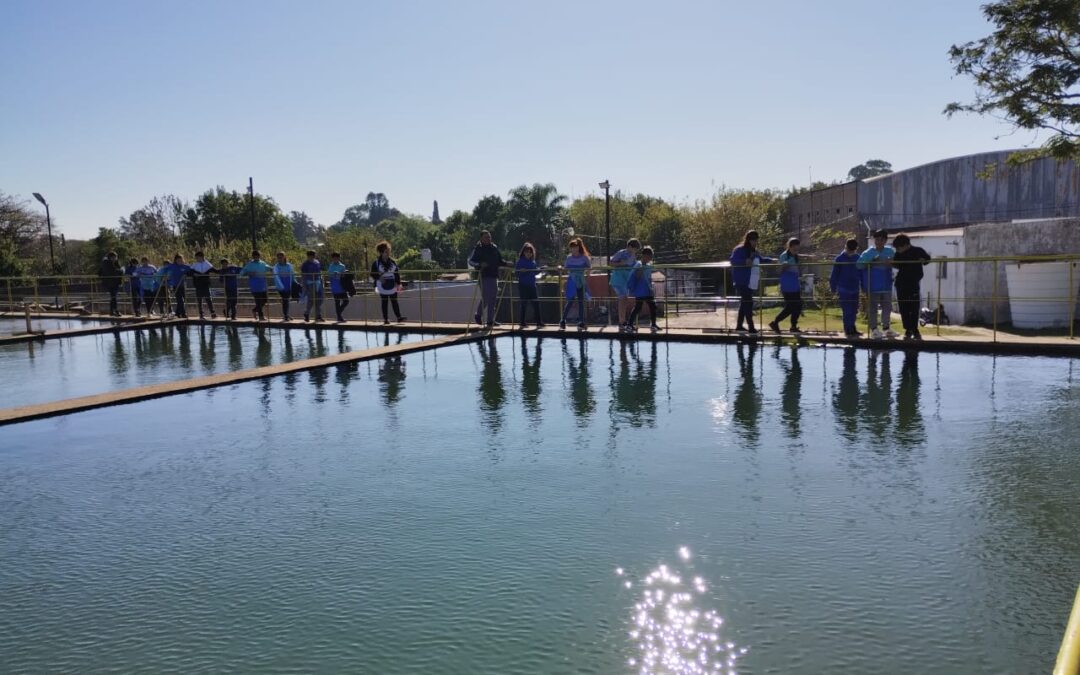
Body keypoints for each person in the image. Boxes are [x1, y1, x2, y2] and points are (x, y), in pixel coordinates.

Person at [729, 230, 773, 334]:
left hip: (750, 281)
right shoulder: (739, 250)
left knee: (744, 303)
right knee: (748, 302)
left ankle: (739, 326)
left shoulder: (754, 251)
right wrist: (744, 261)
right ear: (748, 239)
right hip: (742, 280)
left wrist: (772, 260)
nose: (755, 242)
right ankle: (751, 327)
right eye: (753, 240)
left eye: (756, 240)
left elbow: (761, 259)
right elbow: (733, 261)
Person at [857, 229, 898, 339]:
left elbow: (897, 264)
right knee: (873, 308)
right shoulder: (868, 252)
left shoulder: (890, 251)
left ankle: (886, 328)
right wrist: (871, 262)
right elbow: (859, 265)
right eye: (877, 240)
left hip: (886, 284)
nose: (879, 242)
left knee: (887, 307)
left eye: (881, 240)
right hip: (873, 285)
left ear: (885, 240)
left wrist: (892, 262)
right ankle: (874, 329)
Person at [891, 233, 932, 341]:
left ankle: (914, 328)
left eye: (899, 248)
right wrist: (891, 262)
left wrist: (923, 260)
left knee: (914, 307)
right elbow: (896, 264)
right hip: (901, 283)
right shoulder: (898, 254)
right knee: (904, 307)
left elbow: (927, 259)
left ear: (905, 245)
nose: (897, 250)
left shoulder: (918, 251)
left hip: (913, 283)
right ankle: (908, 329)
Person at [468, 230, 511, 326]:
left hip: (494, 275)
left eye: (489, 237)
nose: (488, 239)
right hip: (484, 275)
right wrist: (480, 264)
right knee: (487, 296)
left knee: (493, 298)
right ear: (481, 238)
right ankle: (479, 314)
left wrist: (506, 263)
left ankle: (490, 320)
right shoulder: (478, 248)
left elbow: (499, 260)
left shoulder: (494, 247)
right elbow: (471, 261)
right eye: (486, 237)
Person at [830, 238, 864, 338]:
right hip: (844, 288)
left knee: (854, 310)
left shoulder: (858, 258)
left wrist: (863, 286)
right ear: (846, 247)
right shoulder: (840, 259)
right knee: (847, 310)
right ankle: (848, 329)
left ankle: (852, 328)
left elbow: (862, 273)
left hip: (855, 288)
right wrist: (833, 287)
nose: (851, 251)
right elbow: (834, 274)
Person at [769, 237, 803, 333]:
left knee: (798, 305)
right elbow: (779, 271)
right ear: (790, 247)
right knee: (790, 306)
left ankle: (793, 326)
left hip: (795, 284)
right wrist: (783, 266)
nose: (796, 251)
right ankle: (775, 322)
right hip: (787, 285)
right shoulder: (784, 256)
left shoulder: (795, 256)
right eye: (794, 249)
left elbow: (799, 261)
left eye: (797, 249)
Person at [559, 237, 592, 331]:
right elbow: (565, 268)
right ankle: (562, 321)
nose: (573, 249)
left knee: (581, 302)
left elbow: (589, 268)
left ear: (578, 247)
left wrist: (586, 276)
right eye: (572, 247)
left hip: (580, 281)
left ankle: (581, 322)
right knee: (570, 301)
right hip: (572, 282)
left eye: (575, 247)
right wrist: (560, 268)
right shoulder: (569, 258)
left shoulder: (584, 257)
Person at [609, 238, 641, 332]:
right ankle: (621, 322)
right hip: (618, 279)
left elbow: (633, 266)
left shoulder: (633, 256)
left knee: (625, 299)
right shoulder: (621, 253)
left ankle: (623, 321)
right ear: (629, 246)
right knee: (622, 298)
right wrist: (620, 263)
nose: (635, 251)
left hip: (626, 280)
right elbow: (610, 263)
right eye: (635, 249)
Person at [371, 240, 406, 324]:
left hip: (392, 283)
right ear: (381, 252)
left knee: (394, 301)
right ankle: (386, 319)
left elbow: (396, 273)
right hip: (382, 284)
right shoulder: (376, 263)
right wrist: (379, 278)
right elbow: (372, 274)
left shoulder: (392, 262)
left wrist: (398, 283)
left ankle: (399, 317)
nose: (388, 253)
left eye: (388, 251)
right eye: (386, 251)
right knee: (384, 302)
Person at [627, 246, 660, 333]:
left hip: (647, 290)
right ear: (644, 256)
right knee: (638, 307)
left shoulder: (648, 266)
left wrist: (651, 288)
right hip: (640, 290)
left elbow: (649, 278)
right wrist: (641, 270)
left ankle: (653, 324)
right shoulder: (638, 265)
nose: (650, 259)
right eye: (649, 257)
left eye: (651, 257)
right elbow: (637, 276)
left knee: (653, 306)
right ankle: (629, 325)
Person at [515, 243, 543, 329]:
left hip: (532, 285)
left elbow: (535, 272)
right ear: (523, 252)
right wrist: (521, 271)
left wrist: (541, 269)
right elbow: (516, 273)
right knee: (524, 304)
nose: (528, 253)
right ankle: (522, 322)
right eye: (527, 252)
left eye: (530, 252)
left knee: (536, 303)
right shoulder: (520, 261)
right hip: (523, 285)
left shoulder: (533, 262)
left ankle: (539, 322)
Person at [240, 250, 272, 321]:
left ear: (259, 256)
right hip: (254, 286)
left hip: (263, 285)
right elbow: (241, 273)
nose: (256, 257)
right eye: (254, 256)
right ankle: (261, 316)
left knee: (265, 300)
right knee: (258, 301)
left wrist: (274, 269)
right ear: (253, 256)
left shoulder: (262, 263)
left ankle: (255, 310)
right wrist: (249, 273)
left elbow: (269, 268)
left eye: (257, 256)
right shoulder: (249, 264)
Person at [190, 251, 217, 319]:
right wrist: (194, 274)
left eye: (197, 257)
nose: (196, 259)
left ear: (202, 257)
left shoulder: (207, 264)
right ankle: (201, 314)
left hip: (205, 284)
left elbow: (215, 270)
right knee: (199, 300)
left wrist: (223, 270)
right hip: (198, 285)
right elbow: (189, 272)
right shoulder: (195, 265)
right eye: (196, 258)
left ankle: (212, 313)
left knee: (208, 299)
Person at [162, 254, 191, 318]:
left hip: (183, 285)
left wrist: (187, 274)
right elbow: (164, 269)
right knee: (180, 300)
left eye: (181, 260)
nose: (180, 261)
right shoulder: (172, 266)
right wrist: (165, 277)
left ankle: (177, 313)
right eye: (178, 260)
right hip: (175, 285)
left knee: (184, 299)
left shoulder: (186, 266)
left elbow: (190, 272)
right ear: (175, 260)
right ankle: (183, 313)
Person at [300, 249, 324, 322]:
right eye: (310, 256)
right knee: (311, 299)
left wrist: (321, 280)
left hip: (318, 282)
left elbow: (319, 272)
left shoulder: (317, 262)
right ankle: (307, 313)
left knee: (319, 299)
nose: (312, 257)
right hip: (310, 282)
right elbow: (303, 275)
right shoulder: (305, 264)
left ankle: (318, 315)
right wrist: (305, 285)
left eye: (313, 255)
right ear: (308, 256)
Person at [98, 251, 123, 316]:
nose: (115, 258)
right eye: (114, 257)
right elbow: (114, 271)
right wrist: (121, 270)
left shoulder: (112, 263)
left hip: (113, 282)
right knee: (114, 297)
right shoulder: (107, 263)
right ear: (111, 257)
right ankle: (115, 311)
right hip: (111, 283)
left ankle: (112, 311)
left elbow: (100, 272)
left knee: (113, 297)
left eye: (116, 257)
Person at [327, 252, 349, 323]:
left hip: (342, 286)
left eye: (337, 258)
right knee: (337, 302)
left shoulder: (342, 266)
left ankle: (339, 312)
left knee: (346, 301)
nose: (335, 259)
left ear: (339, 258)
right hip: (335, 287)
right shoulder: (331, 266)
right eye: (334, 258)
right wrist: (334, 274)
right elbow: (329, 275)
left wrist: (340, 274)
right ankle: (339, 317)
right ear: (332, 258)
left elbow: (344, 275)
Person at [273, 251, 295, 322]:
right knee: (285, 300)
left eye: (281, 257)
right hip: (281, 286)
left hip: (288, 285)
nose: (280, 259)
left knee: (287, 300)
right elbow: (276, 278)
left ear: (284, 257)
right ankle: (285, 316)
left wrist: (294, 283)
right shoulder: (276, 267)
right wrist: (281, 286)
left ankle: (286, 315)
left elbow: (293, 275)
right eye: (278, 257)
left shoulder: (289, 265)